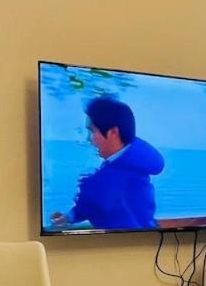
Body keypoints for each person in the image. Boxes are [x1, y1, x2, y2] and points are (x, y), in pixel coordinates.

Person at [49, 96, 164, 230]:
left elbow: (128, 223)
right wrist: (69, 217)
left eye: (92, 131)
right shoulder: (121, 165)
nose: (89, 139)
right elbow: (95, 203)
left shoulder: (128, 176)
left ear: (113, 133)